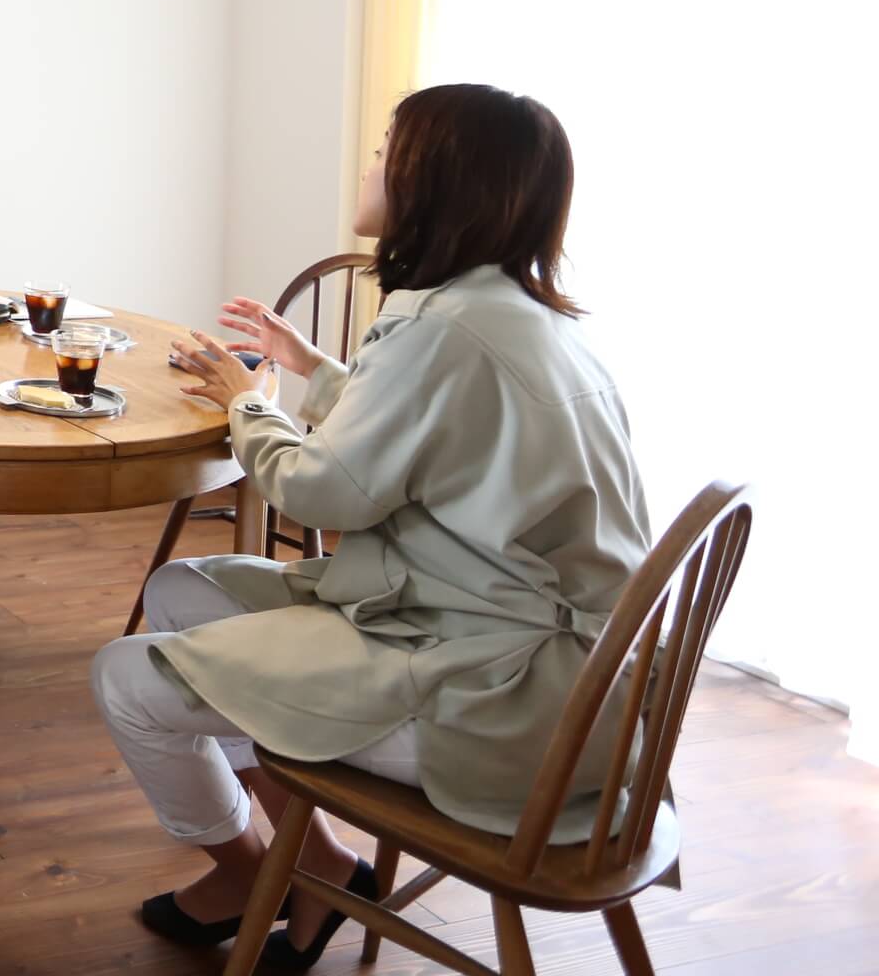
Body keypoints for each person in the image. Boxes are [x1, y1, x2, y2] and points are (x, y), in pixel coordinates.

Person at [91, 82, 650, 969]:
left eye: (389, 150)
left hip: (502, 710)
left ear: (438, 183)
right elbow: (420, 435)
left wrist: (248, 403)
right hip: (561, 687)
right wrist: (310, 367)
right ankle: (314, 867)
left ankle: (253, 872)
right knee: (179, 591)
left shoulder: (444, 330)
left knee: (125, 677)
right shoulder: (513, 317)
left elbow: (322, 494)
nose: (370, 163)